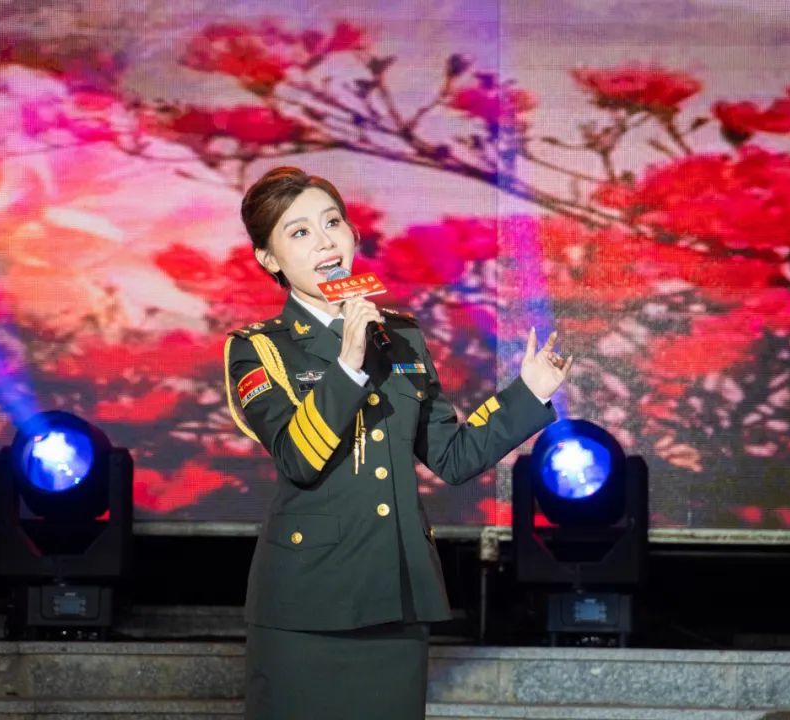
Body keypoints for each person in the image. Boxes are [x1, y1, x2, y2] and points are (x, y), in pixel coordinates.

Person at [224, 166, 573, 720]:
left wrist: (527, 394)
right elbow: (298, 457)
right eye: (300, 232)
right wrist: (348, 362)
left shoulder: (401, 335)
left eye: (332, 223)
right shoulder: (260, 348)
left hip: (394, 591)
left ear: (353, 234)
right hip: (305, 600)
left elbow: (452, 457)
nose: (324, 241)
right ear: (269, 259)